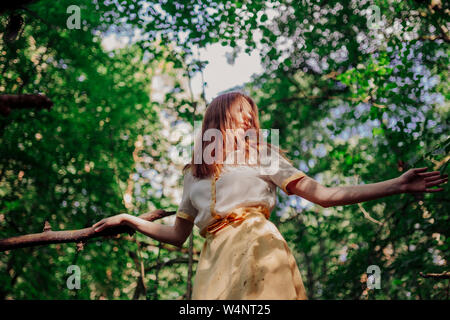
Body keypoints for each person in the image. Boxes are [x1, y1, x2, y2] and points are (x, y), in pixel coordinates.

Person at [92, 91, 448, 300]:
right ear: (219, 116)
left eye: (252, 117)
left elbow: (322, 194)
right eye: (241, 114)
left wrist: (397, 184)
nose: (249, 121)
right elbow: (176, 235)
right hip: (213, 263)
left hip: (260, 248)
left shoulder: (263, 155)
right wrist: (129, 220)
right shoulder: (193, 173)